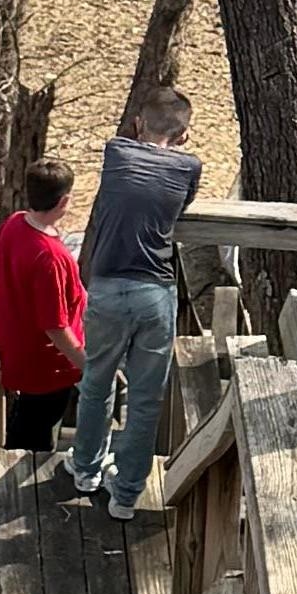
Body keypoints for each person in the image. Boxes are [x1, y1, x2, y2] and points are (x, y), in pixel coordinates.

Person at [65, 81, 202, 518]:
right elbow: (179, 210)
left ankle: (85, 470)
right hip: (155, 291)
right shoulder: (188, 167)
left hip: (107, 287)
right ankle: (126, 495)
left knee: (96, 384)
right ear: (183, 136)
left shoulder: (116, 153)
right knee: (145, 399)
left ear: (137, 123)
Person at [0, 158, 84, 465]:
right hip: (49, 368)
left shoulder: (15, 224)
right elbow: (55, 326)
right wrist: (88, 365)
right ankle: (25, 495)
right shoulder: (50, 257)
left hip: (19, 350)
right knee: (37, 440)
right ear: (64, 200)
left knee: (26, 420)